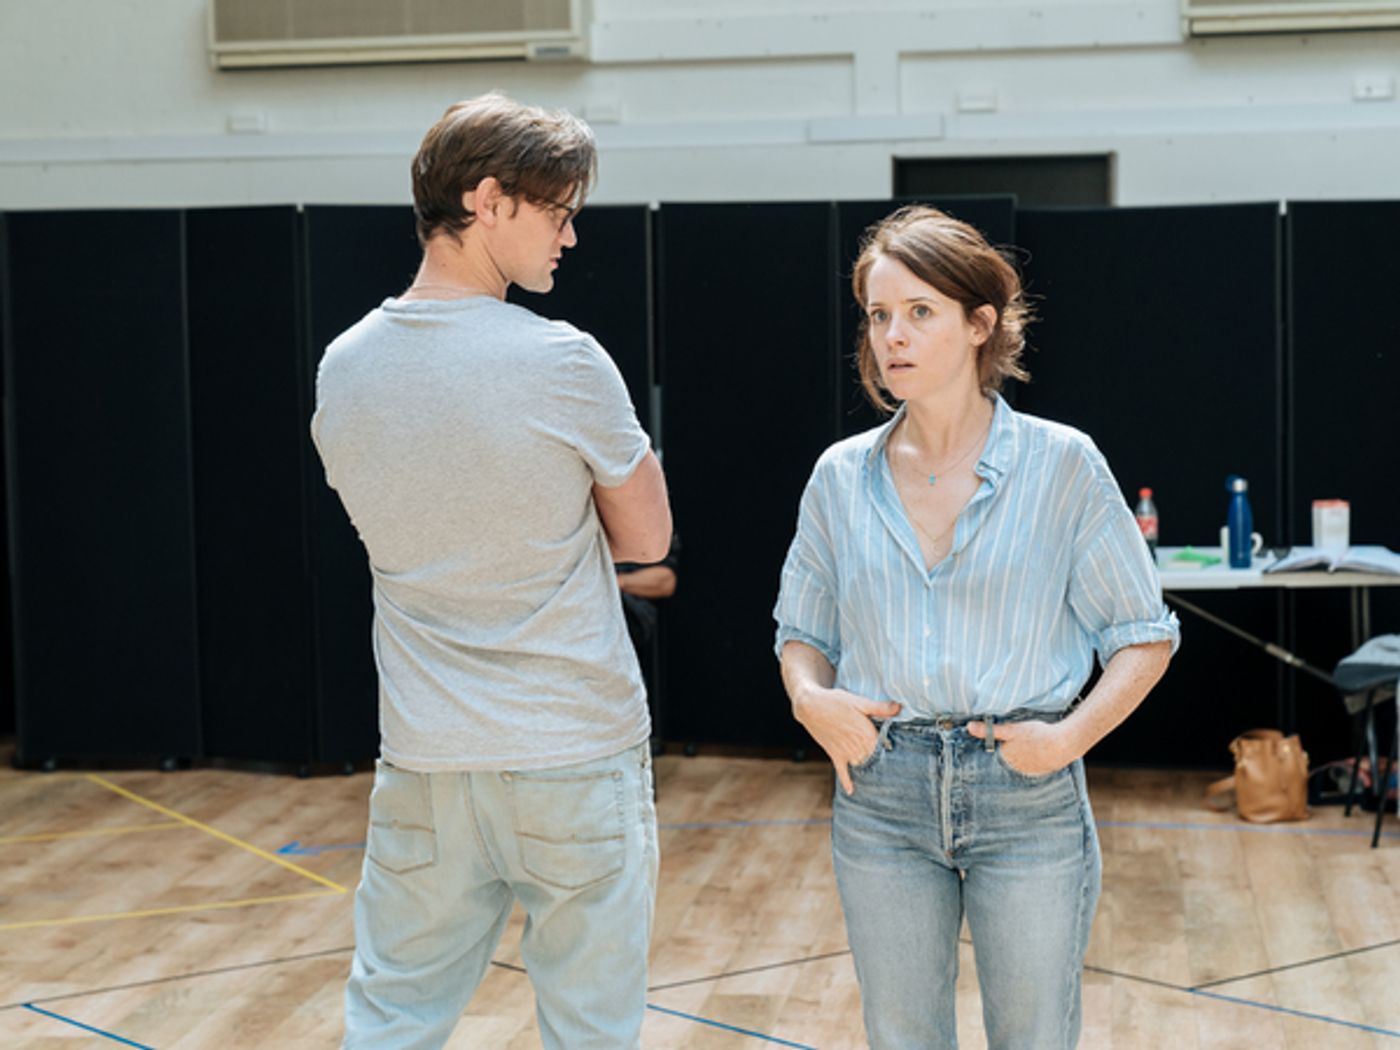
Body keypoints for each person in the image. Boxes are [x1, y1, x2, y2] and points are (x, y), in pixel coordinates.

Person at [311, 93, 671, 1050]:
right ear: (488, 200)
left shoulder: (343, 367)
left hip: (425, 759)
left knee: (390, 1022)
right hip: (572, 750)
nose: (570, 236)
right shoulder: (564, 360)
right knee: (591, 1031)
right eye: (558, 212)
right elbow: (647, 539)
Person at [773, 205, 1179, 1050]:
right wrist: (812, 701)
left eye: (920, 311)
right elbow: (801, 632)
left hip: (1025, 792)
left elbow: (1145, 635)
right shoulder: (840, 476)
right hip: (881, 793)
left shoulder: (1063, 464)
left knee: (1033, 1036)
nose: (893, 336)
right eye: (879, 315)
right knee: (902, 1037)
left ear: (979, 324)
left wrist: (1065, 740)